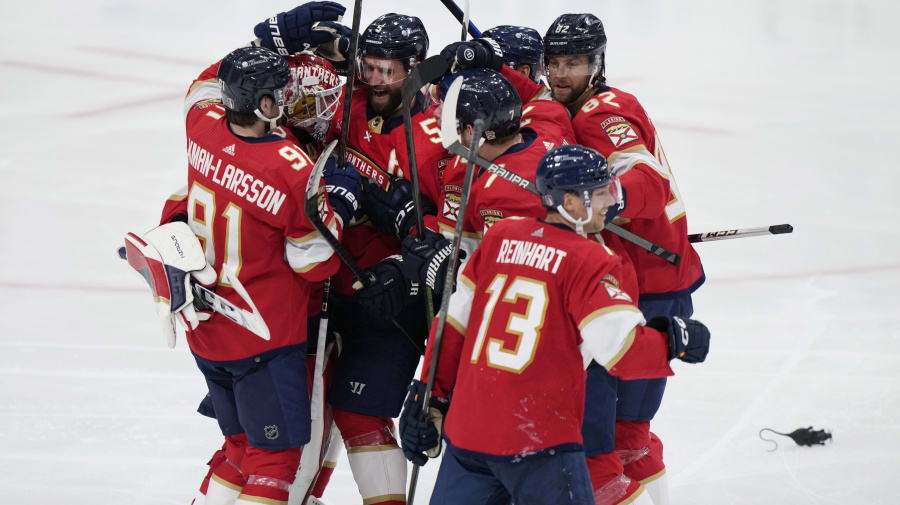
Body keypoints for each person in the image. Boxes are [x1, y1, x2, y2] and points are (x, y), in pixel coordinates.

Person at [398, 145, 710, 505]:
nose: (611, 200)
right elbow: (622, 350)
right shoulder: (590, 259)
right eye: (600, 192)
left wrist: (429, 395)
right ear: (571, 202)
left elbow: (452, 323)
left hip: (469, 434)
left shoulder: (500, 236)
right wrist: (674, 341)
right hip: (539, 441)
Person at [128, 42, 360, 505]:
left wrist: (271, 38)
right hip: (262, 341)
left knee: (239, 450)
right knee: (274, 463)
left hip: (207, 330)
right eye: (279, 92)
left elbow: (202, 87)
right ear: (265, 104)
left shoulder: (203, 129)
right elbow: (314, 264)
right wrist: (340, 203)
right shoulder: (290, 167)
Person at [539, 13, 707, 505]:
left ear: (597, 64)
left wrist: (593, 200)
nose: (562, 74)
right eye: (554, 63)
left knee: (622, 439)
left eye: (574, 63)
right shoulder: (574, 103)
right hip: (633, 279)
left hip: (652, 288)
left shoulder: (602, 114)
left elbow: (646, 182)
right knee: (617, 434)